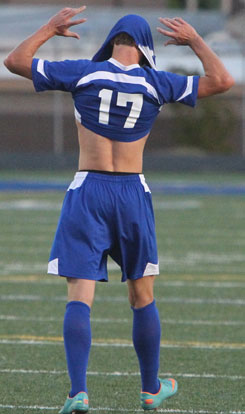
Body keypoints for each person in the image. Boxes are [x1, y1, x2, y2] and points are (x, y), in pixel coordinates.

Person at [4, 6, 234, 413]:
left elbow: (15, 61)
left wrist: (50, 28)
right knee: (142, 296)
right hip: (131, 193)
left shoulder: (84, 73)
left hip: (88, 189)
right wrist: (196, 40)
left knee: (80, 295)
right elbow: (222, 80)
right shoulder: (156, 81)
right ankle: (149, 389)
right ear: (146, 50)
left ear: (112, 42)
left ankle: (78, 392)